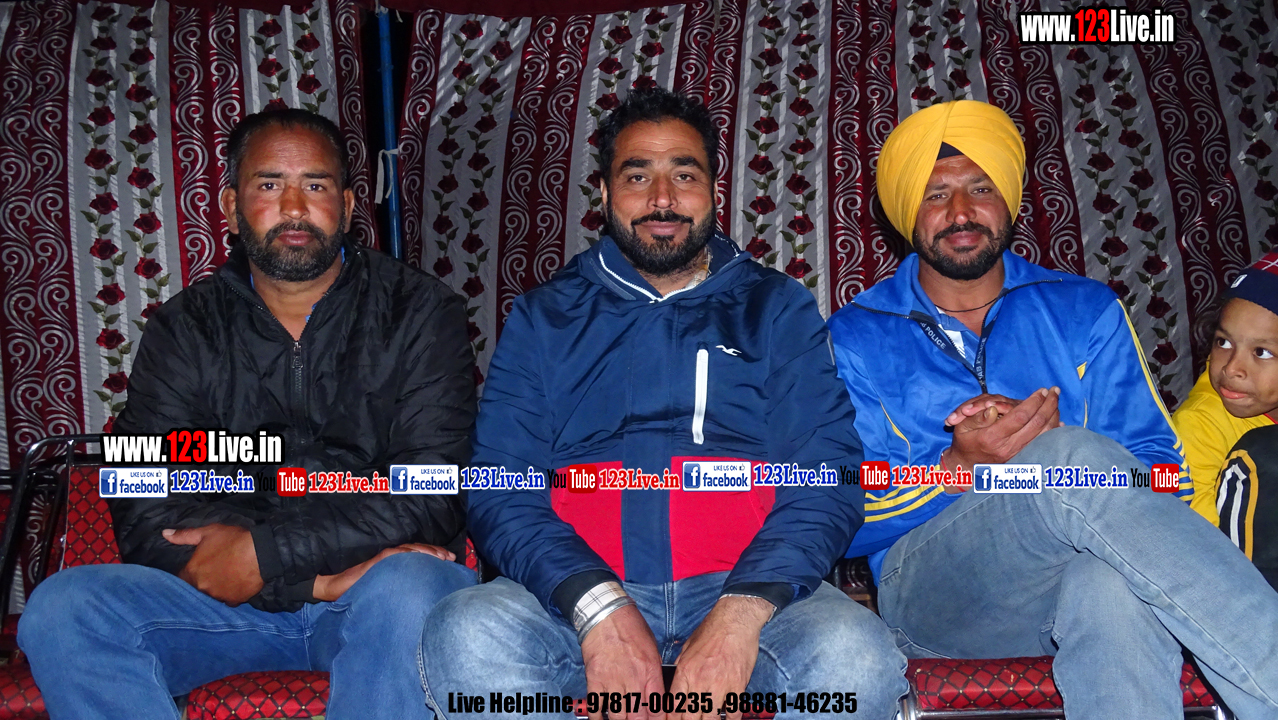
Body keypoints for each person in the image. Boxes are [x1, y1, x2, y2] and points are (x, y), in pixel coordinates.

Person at [421, 88, 906, 720]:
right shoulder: (547, 317)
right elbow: (501, 488)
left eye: (684, 174)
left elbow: (827, 479)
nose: (662, 199)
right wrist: (599, 610)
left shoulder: (775, 308)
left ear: (714, 191)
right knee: (467, 632)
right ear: (603, 195)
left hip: (750, 591)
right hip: (571, 600)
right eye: (637, 176)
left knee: (855, 657)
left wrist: (739, 615)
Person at [17, 109, 478, 720]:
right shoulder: (185, 329)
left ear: (345, 205)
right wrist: (304, 582)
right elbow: (143, 491)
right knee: (65, 608)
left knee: (418, 588)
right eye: (269, 184)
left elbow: (434, 489)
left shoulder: (421, 313)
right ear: (232, 207)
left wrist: (265, 553)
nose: (294, 207)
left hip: (378, 595)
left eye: (315, 185)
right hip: (225, 610)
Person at [828, 99, 1278, 719]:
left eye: (981, 188)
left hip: (1075, 580)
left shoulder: (1085, 310)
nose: (960, 212)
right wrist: (956, 470)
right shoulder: (855, 335)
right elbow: (835, 512)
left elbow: (1167, 476)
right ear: (909, 212)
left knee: (1109, 585)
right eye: (936, 195)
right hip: (931, 594)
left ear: (1009, 199)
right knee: (1068, 459)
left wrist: (1064, 463)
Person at [1173, 252, 1278, 581]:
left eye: (1262, 352)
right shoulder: (1198, 425)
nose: (1232, 368)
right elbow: (1194, 543)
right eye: (1224, 342)